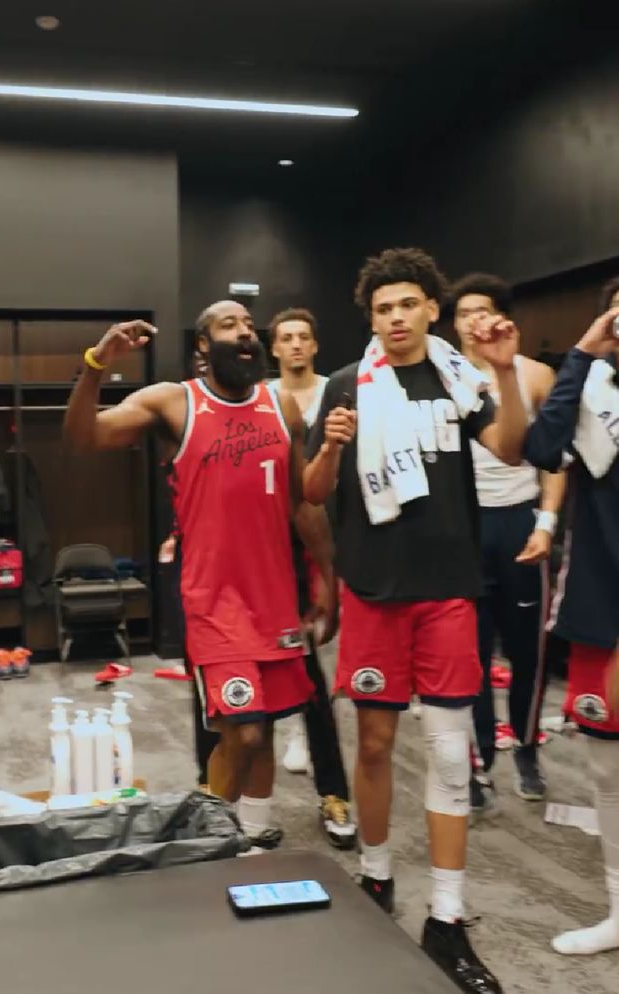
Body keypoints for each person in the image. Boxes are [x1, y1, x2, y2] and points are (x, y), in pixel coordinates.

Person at [304, 247, 528, 994]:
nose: (396, 318)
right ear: (370, 320)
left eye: (407, 304)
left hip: (448, 590)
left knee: (449, 751)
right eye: (382, 309)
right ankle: (375, 876)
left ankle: (448, 916)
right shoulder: (346, 385)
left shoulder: (461, 379)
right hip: (373, 589)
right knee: (373, 743)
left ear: (432, 308)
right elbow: (312, 490)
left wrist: (504, 372)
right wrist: (331, 446)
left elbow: (510, 448)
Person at [64, 303, 337, 819]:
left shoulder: (282, 407)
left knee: (264, 728)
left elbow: (303, 503)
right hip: (213, 601)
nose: (244, 332)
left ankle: (252, 836)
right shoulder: (174, 402)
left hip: (274, 598)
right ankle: (209, 833)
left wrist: (328, 577)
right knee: (244, 730)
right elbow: (84, 437)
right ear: (204, 346)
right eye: (228, 325)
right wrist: (96, 364)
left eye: (248, 325)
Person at [523, 283, 619, 957]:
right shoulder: (593, 389)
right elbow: (541, 445)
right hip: (601, 594)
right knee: (607, 764)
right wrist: (582, 354)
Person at [452, 273, 566, 805]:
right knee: (469, 654)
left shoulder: (535, 375)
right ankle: (478, 762)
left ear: (500, 318)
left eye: (483, 310)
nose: (474, 320)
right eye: (464, 313)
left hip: (520, 521)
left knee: (527, 651)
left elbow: (555, 458)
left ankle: (525, 746)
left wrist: (546, 523)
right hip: (467, 525)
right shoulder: (444, 377)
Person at [268, 307, 356, 849]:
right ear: (275, 348)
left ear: (315, 344)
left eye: (304, 336)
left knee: (310, 665)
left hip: (322, 532)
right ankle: (222, 799)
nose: (296, 345)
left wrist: (328, 569)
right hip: (265, 544)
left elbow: (316, 493)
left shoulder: (338, 391)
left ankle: (333, 791)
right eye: (287, 337)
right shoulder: (260, 397)